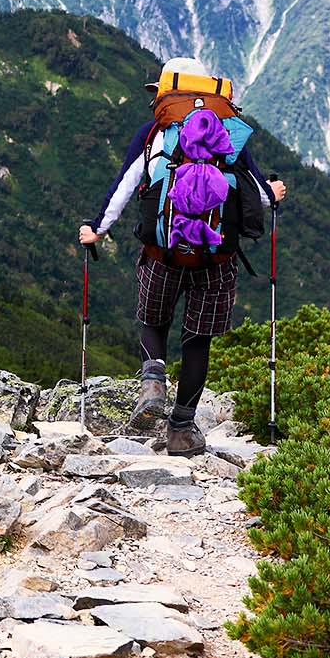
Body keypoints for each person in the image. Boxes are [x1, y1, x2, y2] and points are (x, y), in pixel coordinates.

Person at [79, 57, 285, 456]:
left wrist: (97, 230)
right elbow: (259, 194)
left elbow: (125, 186)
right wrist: (274, 192)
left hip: (161, 253)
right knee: (197, 341)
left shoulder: (152, 132)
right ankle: (181, 430)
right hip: (215, 261)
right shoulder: (230, 135)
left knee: (153, 320)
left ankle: (153, 379)